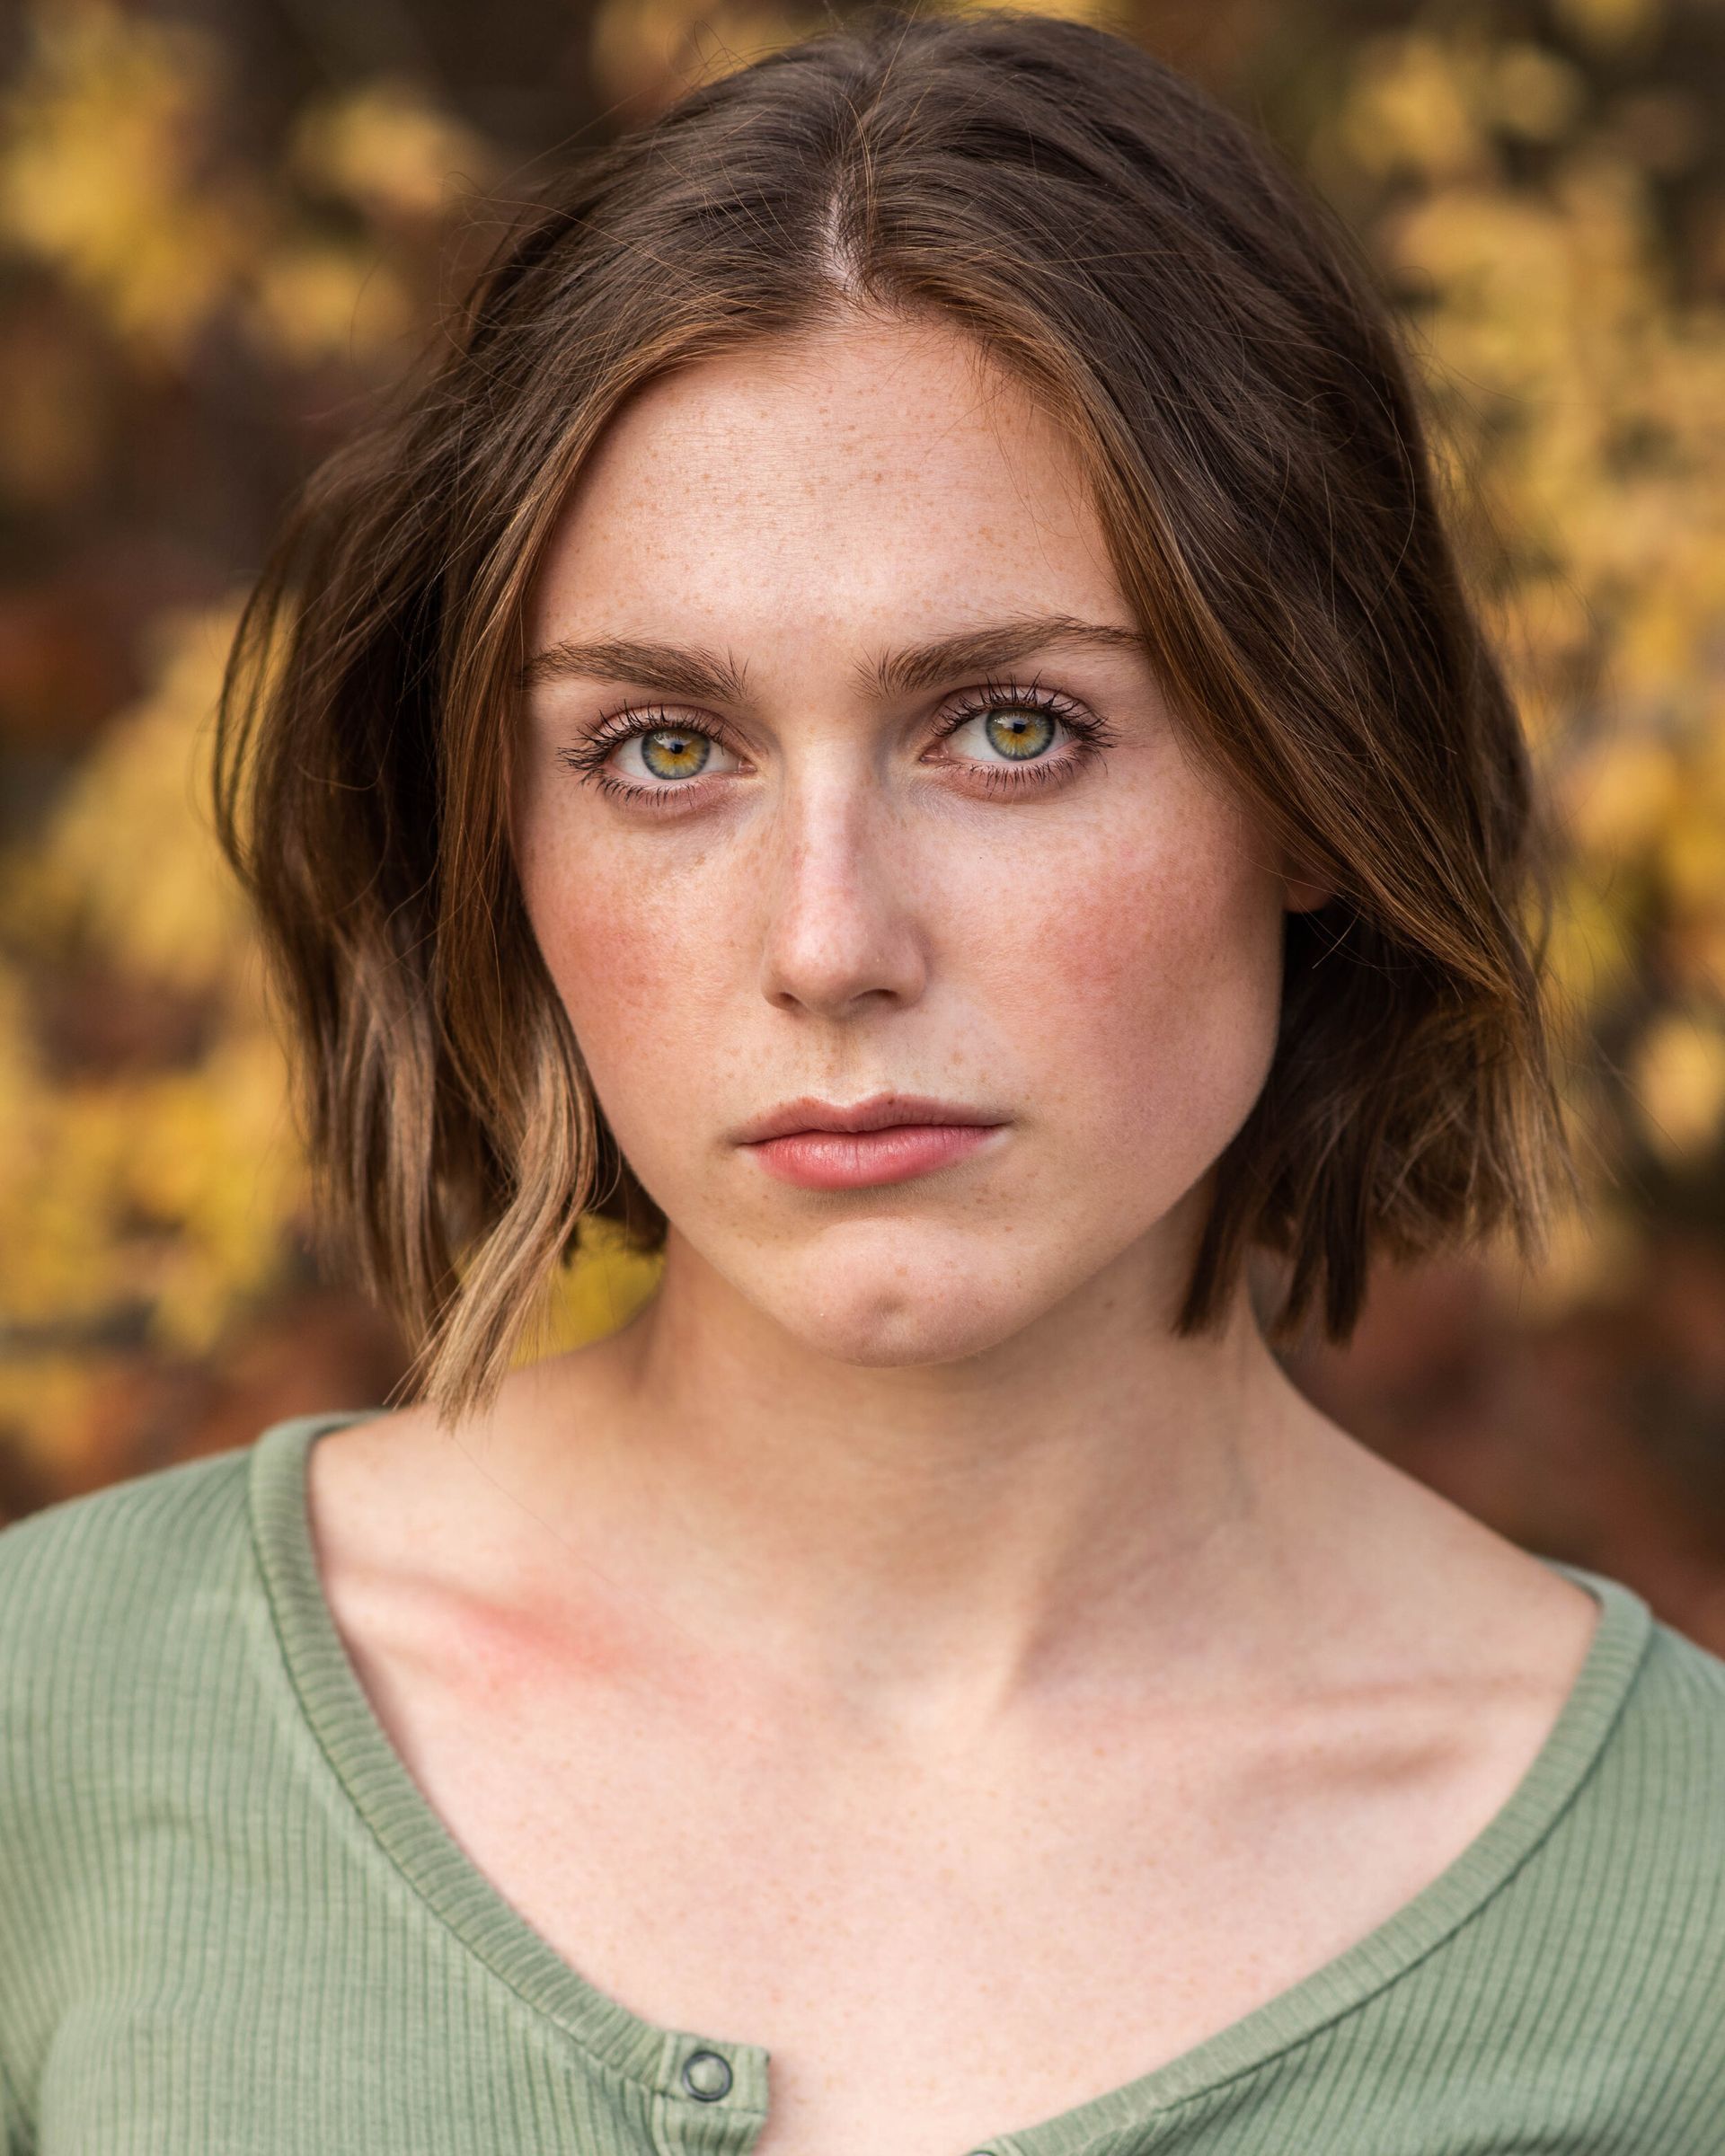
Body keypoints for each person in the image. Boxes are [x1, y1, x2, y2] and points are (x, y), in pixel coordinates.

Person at [2, 7, 1721, 2152]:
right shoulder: (52, 1732)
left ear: (1311, 778)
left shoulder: (1688, 1919)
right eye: (665, 751)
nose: (829, 943)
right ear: (500, 834)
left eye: (1011, 731)